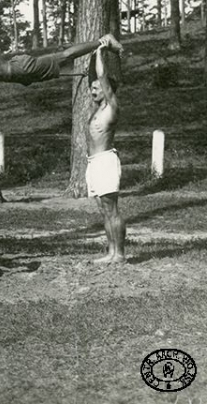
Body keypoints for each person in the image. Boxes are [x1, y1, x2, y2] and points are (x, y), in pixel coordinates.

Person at [0, 15, 124, 106]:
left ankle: (104, 40)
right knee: (55, 68)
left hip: (22, 69)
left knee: (65, 56)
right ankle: (84, 68)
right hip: (20, 75)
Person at [87, 47, 123, 264]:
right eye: (91, 89)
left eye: (97, 89)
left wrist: (100, 51)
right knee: (104, 209)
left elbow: (101, 75)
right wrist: (92, 54)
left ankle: (120, 254)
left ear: (108, 90)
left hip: (106, 161)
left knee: (112, 209)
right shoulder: (97, 109)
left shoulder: (112, 108)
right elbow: (95, 76)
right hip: (94, 162)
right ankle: (111, 252)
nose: (93, 92)